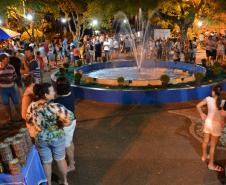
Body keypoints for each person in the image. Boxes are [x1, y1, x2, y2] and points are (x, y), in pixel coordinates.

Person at [26, 83, 74, 185]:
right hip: (57, 137)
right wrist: (61, 125)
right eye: (52, 91)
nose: (54, 92)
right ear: (45, 95)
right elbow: (69, 119)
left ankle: (48, 183)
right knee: (60, 160)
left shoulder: (31, 106)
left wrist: (35, 134)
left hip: (41, 138)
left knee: (46, 162)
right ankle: (65, 181)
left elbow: (29, 122)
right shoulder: (55, 106)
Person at [196, 85, 224, 172]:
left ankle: (204, 156)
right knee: (212, 146)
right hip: (216, 126)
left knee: (205, 141)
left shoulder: (208, 99)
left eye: (212, 91)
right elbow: (223, 117)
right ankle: (211, 164)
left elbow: (198, 106)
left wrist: (201, 113)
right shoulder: (223, 102)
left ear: (213, 92)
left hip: (208, 123)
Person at [54, 77, 76, 172]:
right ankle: (73, 161)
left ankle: (71, 165)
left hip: (66, 125)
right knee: (70, 142)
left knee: (67, 145)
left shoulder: (59, 102)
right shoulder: (71, 93)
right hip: (73, 121)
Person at [0, 54, 21, 122]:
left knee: (16, 103)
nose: (9, 60)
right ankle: (10, 117)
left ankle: (20, 116)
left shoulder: (11, 67)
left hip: (12, 87)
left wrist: (13, 80)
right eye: (7, 59)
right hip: (3, 89)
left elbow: (15, 76)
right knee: (6, 104)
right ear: (2, 60)